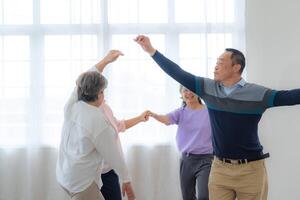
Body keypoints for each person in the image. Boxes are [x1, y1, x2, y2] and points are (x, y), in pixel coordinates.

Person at [134, 35, 300, 200]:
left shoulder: (257, 94)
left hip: (251, 170)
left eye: (221, 63)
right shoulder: (208, 89)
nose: (215, 67)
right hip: (219, 169)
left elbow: (289, 97)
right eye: (216, 63)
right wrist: (151, 51)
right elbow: (178, 73)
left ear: (236, 67)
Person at [56, 51, 137, 200]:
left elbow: (81, 83)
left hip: (65, 176)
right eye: (103, 91)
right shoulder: (98, 120)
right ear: (99, 93)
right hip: (82, 184)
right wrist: (127, 180)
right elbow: (114, 155)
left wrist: (105, 61)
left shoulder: (71, 106)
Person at [93, 50, 151, 200]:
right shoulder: (84, 111)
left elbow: (118, 126)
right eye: (101, 92)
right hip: (91, 174)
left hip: (109, 171)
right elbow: (87, 77)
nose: (103, 94)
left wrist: (139, 118)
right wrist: (105, 61)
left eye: (103, 91)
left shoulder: (105, 108)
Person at [149, 85, 213, 200]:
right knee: (187, 197)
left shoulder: (209, 111)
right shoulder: (180, 112)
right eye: (185, 90)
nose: (188, 93)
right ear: (181, 95)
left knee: (204, 196)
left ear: (198, 93)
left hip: (206, 160)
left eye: (191, 90)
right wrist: (154, 115)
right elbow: (166, 119)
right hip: (187, 160)